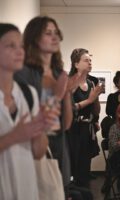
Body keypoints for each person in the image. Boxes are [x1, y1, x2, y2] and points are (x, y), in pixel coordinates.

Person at [13, 16, 77, 197]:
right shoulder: (22, 73)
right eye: (48, 33)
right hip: (32, 149)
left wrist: (66, 94)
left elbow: (65, 124)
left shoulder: (59, 73)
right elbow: (27, 118)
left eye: (56, 33)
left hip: (58, 147)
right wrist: (57, 95)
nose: (55, 37)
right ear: (34, 37)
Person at [0, 23, 49, 200]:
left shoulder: (29, 94)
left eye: (21, 46)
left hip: (26, 188)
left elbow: (38, 152)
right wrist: (15, 136)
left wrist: (40, 129)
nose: (20, 51)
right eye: (10, 46)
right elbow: (19, 135)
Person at [68, 48, 103, 187]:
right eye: (86, 60)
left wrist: (95, 100)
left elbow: (95, 109)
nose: (89, 63)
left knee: (85, 167)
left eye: (90, 60)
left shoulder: (91, 83)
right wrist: (89, 100)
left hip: (86, 129)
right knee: (73, 167)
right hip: (72, 130)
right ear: (76, 64)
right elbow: (68, 109)